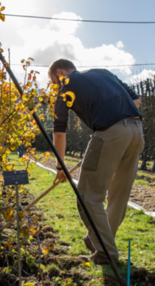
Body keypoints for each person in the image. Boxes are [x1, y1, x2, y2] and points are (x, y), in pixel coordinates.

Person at [49, 59, 143, 265]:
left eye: (54, 82)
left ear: (59, 72)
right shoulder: (103, 73)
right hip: (136, 132)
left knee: (88, 196)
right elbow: (136, 101)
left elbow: (59, 130)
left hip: (110, 133)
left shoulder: (66, 84)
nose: (57, 86)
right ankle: (98, 240)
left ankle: (106, 252)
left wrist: (60, 166)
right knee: (119, 195)